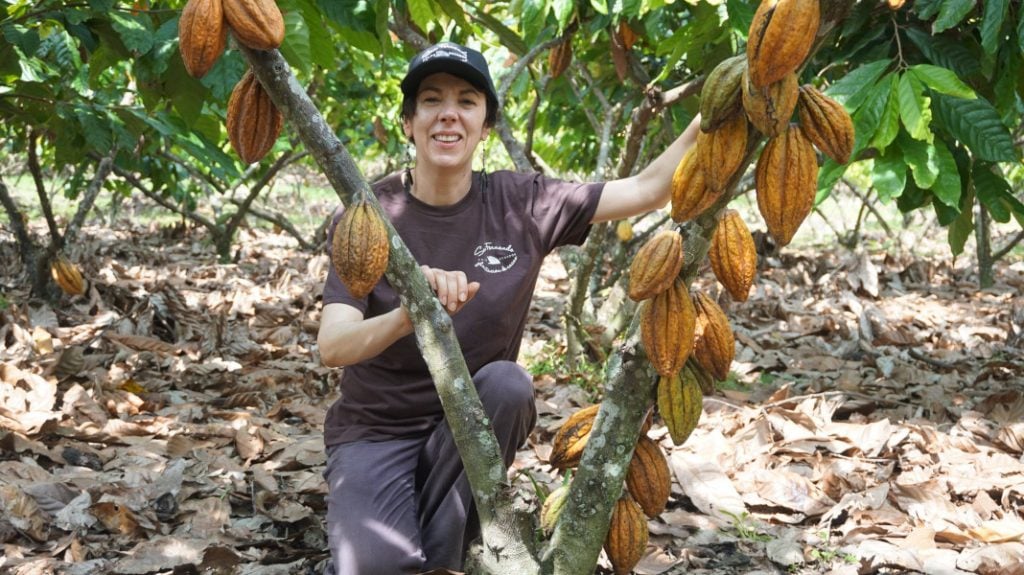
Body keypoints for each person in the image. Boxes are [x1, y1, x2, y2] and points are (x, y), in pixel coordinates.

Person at [317, 41, 700, 575]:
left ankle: (443, 554)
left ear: (487, 126)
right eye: (431, 100)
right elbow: (333, 346)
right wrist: (412, 314)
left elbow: (649, 188)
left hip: (468, 432)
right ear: (408, 121)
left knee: (508, 384)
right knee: (372, 568)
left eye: (466, 101)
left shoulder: (522, 203)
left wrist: (718, 111)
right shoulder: (370, 216)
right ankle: (405, 537)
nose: (448, 114)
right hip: (375, 431)